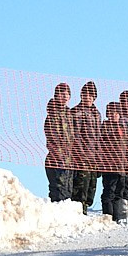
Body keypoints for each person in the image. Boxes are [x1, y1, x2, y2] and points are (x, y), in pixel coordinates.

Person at [69, 81, 104, 210]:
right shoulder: (76, 112)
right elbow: (75, 135)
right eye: (85, 95)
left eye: (90, 95)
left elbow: (99, 137)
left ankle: (86, 208)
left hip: (94, 157)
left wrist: (100, 157)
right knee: (80, 186)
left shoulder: (97, 114)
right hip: (81, 156)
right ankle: (79, 210)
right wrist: (79, 152)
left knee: (91, 186)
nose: (87, 97)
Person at [43, 81, 76, 202]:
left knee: (68, 192)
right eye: (61, 94)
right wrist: (59, 154)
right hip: (56, 159)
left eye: (67, 94)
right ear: (56, 96)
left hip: (69, 159)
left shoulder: (69, 113)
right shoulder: (52, 114)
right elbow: (52, 137)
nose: (65, 97)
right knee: (58, 192)